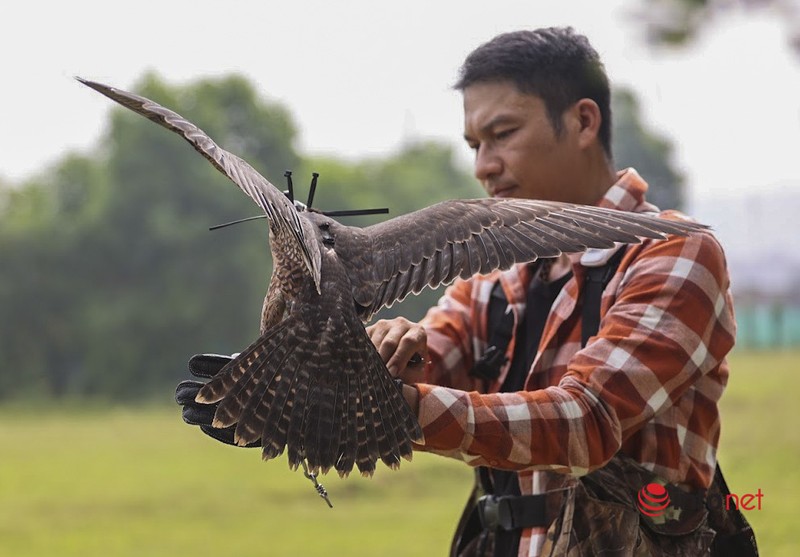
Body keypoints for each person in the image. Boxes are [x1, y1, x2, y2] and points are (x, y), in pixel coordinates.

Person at [179, 27, 754, 556]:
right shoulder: (493, 281)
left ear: (583, 122)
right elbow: (432, 360)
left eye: (502, 135)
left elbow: (586, 423)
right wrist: (313, 379)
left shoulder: (673, 253)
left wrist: (392, 411)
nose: (484, 165)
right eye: (473, 144)